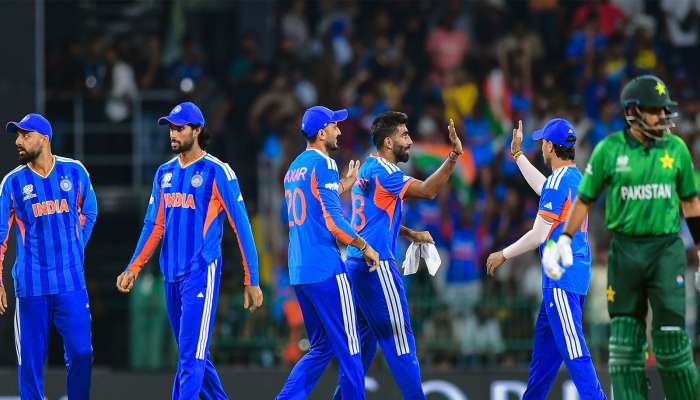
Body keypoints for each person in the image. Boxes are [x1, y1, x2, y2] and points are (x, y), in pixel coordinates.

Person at [546, 75, 700, 400]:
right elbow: (584, 199)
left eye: (664, 110)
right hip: (625, 252)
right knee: (624, 349)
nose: (662, 116)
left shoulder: (676, 149)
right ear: (632, 112)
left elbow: (690, 203)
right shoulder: (608, 150)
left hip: (665, 250)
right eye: (654, 110)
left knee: (672, 343)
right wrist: (565, 239)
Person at [116, 102, 263, 400]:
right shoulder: (164, 173)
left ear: (197, 131)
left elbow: (242, 227)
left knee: (189, 356)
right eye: (171, 128)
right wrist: (134, 266)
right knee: (194, 354)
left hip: (201, 271)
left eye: (179, 128)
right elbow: (154, 225)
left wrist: (252, 279)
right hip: (171, 274)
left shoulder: (218, 171)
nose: (173, 134)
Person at [333, 111, 464, 400]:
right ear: (388, 143)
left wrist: (409, 233)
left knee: (361, 351)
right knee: (400, 340)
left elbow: (369, 220)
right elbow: (428, 191)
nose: (410, 141)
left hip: (355, 264)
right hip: (377, 266)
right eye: (404, 135)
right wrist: (454, 156)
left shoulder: (368, 166)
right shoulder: (387, 173)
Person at [486, 119, 606, 399]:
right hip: (573, 276)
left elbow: (539, 235)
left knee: (575, 351)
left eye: (543, 143)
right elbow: (545, 187)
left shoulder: (558, 182)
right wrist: (517, 155)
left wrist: (503, 254)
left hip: (561, 281)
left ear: (550, 146)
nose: (541, 147)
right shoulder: (576, 178)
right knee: (544, 362)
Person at [277, 105, 379, 400]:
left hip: (300, 271)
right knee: (351, 348)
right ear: (322, 133)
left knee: (321, 347)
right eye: (334, 126)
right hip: (326, 269)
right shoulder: (325, 163)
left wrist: (345, 184)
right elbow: (334, 222)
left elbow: (314, 202)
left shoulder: (294, 168)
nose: (339, 130)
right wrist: (364, 246)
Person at [0, 113, 98, 399]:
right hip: (32, 286)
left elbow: (90, 210)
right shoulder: (12, 182)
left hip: (70, 283)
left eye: (25, 135)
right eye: (17, 136)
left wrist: (75, 248)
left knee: (82, 353)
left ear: (44, 138)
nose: (18, 141)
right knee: (30, 363)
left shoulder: (75, 171)